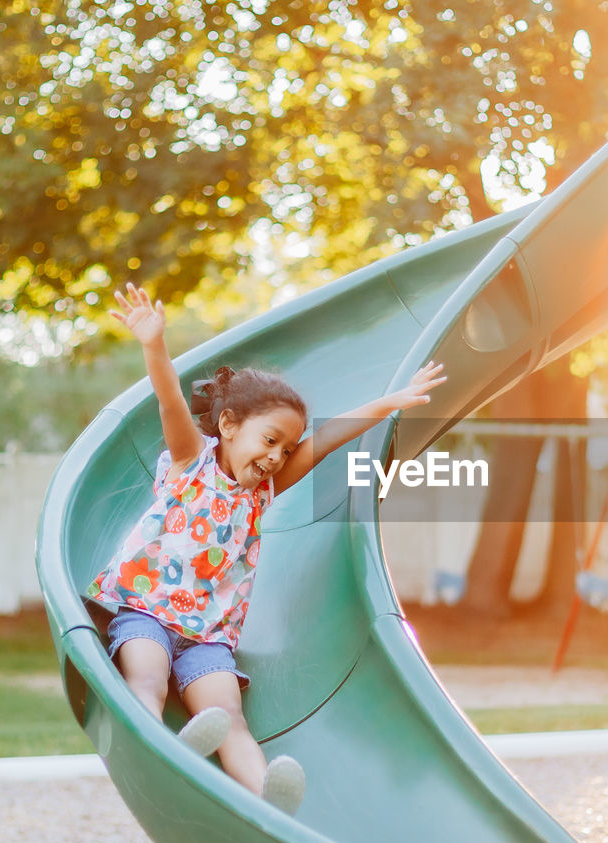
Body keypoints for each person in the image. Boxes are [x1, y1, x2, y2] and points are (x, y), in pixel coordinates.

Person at [86, 282, 445, 814]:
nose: (278, 456)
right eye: (269, 440)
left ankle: (265, 799)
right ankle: (159, 751)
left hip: (209, 637)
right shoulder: (192, 461)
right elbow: (167, 399)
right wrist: (153, 344)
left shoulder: (263, 491)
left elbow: (327, 439)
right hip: (148, 613)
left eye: (286, 448)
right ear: (228, 426)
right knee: (146, 675)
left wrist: (392, 401)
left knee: (228, 716)